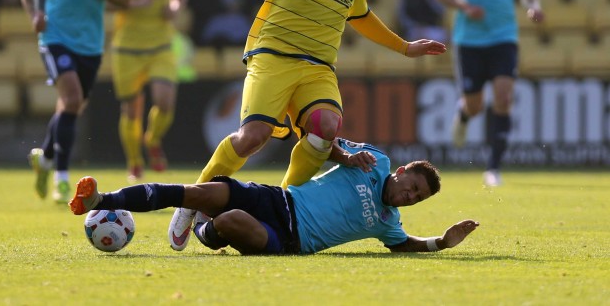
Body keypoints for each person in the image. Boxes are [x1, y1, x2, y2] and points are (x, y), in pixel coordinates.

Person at [167, 0, 448, 251]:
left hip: (318, 67)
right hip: (273, 55)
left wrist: (405, 47)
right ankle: (195, 198)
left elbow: (360, 16)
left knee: (326, 129)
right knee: (253, 137)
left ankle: (282, 205)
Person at [69, 138, 479, 255]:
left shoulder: (388, 223)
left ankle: (203, 232)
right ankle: (100, 201)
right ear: (403, 170)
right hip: (279, 200)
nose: (410, 197)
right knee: (198, 191)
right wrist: (345, 155)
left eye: (417, 199)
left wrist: (441, 241)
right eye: (413, 187)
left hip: (289, 240)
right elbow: (322, 139)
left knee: (227, 222)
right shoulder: (375, 160)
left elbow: (405, 245)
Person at [22, 0, 131, 203]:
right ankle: (63, 179)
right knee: (71, 100)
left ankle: (43, 159)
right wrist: (34, 15)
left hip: (90, 45)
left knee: (70, 105)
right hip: (55, 38)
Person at [433, 0, 545, 188]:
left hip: (503, 37)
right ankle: (463, 112)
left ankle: (493, 167)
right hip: (470, 40)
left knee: (504, 98)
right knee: (476, 105)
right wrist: (464, 6)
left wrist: (533, 6)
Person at [112, 0, 187, 181]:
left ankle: (152, 139)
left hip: (161, 44)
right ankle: (134, 161)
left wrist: (175, 6)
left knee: (165, 103)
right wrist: (131, 3)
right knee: (131, 110)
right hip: (128, 47)